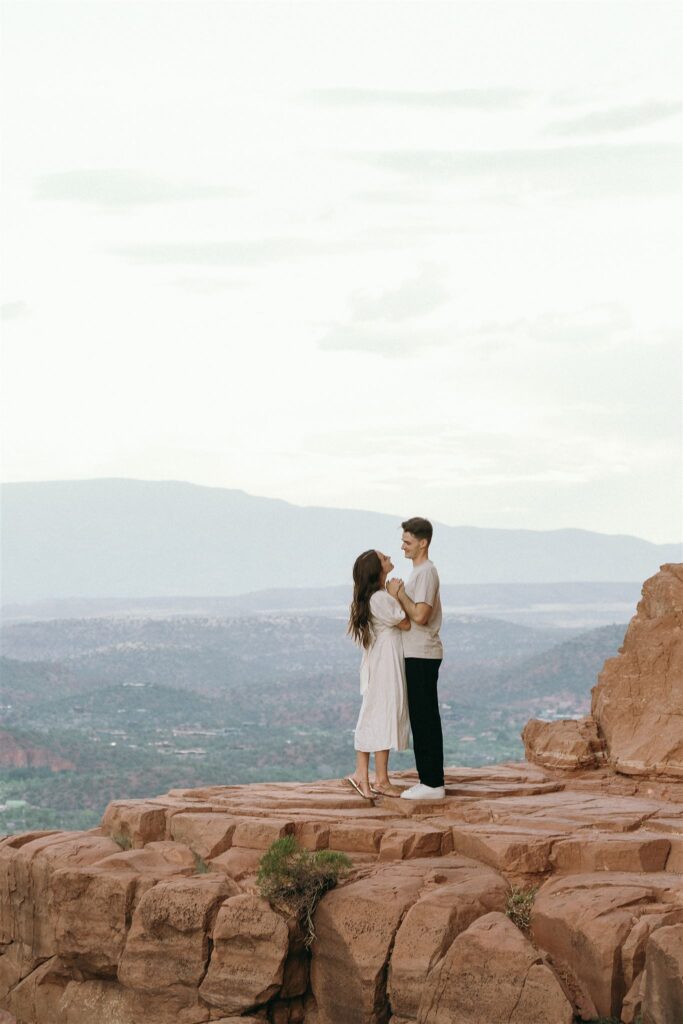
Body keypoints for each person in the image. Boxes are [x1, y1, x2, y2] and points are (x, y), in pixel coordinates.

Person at [387, 517, 445, 800]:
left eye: (407, 542)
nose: (403, 547)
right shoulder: (418, 573)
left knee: (425, 718)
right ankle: (429, 780)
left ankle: (433, 783)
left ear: (423, 542)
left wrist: (399, 595)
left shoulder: (426, 573)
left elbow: (421, 615)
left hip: (423, 652)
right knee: (421, 716)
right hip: (417, 652)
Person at [346, 549, 411, 799]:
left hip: (383, 659)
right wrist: (398, 595)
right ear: (377, 569)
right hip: (386, 661)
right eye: (384, 558)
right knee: (380, 713)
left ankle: (370, 776)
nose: (389, 558)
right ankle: (376, 779)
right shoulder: (380, 599)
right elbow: (405, 623)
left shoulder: (377, 597)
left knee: (379, 713)